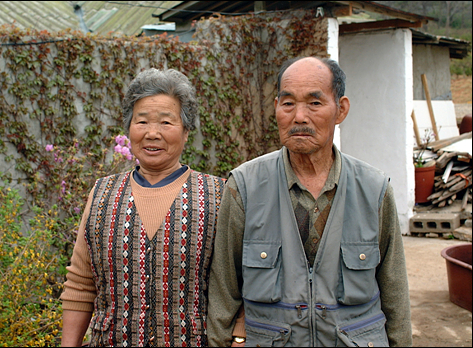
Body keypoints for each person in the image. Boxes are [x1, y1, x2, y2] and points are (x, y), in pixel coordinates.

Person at [207, 56, 412, 347]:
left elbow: (395, 293)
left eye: (314, 103)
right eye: (288, 103)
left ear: (340, 110)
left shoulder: (374, 188)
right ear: (276, 107)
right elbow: (223, 291)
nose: (299, 116)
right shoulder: (245, 186)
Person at [60, 68, 226, 347]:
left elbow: (237, 285)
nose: (152, 133)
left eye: (165, 122)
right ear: (129, 128)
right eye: (142, 122)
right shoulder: (101, 194)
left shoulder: (218, 195)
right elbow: (81, 283)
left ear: (186, 131)